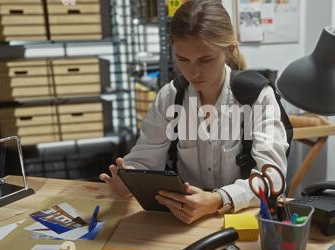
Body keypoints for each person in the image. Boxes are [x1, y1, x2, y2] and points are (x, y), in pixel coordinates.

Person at [99, 0, 288, 224]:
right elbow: (144, 160)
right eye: (182, 60)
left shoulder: (258, 96)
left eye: (205, 60)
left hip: (242, 222)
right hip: (182, 223)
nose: (193, 72)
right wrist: (129, 178)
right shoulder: (170, 97)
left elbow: (273, 178)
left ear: (230, 49)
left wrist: (219, 199)